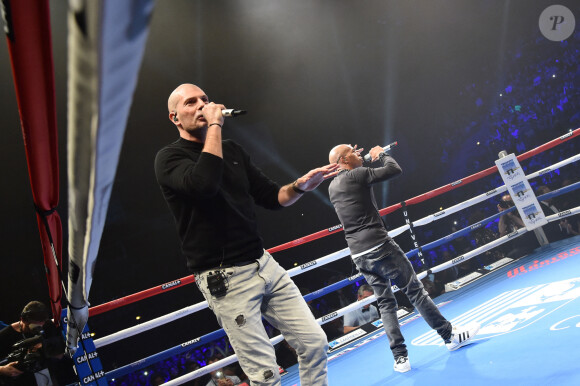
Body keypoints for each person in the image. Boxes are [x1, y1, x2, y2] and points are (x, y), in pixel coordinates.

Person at [155, 84, 338, 385]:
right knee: (265, 376)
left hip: (263, 264)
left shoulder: (233, 150)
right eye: (191, 102)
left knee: (314, 343)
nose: (201, 105)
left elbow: (272, 197)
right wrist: (214, 123)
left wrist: (300, 187)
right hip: (225, 279)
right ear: (175, 117)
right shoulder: (169, 158)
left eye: (205, 99)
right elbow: (204, 185)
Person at [327, 144, 480, 374]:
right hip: (379, 245)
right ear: (343, 159)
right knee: (414, 290)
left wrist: (358, 158)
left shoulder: (332, 186)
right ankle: (450, 336)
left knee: (386, 302)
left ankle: (400, 359)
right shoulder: (357, 174)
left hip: (358, 254)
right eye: (353, 151)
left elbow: (356, 176)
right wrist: (381, 155)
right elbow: (393, 169)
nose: (358, 153)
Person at [0, 301, 50, 385]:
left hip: (44, 378)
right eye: (34, 327)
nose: (38, 330)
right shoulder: (5, 335)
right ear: (23, 319)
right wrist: (2, 370)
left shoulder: (47, 327)